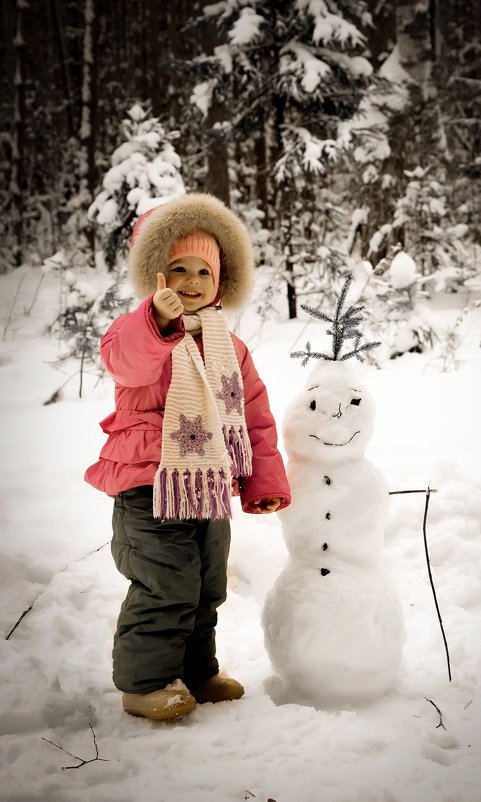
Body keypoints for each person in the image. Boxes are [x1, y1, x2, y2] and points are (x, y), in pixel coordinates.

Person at [85, 192, 291, 721]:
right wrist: (153, 319)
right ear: (156, 275)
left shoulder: (230, 347)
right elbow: (125, 363)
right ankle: (147, 681)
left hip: (209, 487)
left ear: (221, 281)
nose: (192, 281)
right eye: (178, 269)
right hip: (149, 489)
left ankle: (195, 672)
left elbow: (253, 416)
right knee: (165, 585)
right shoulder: (139, 333)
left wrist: (263, 480)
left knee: (205, 587)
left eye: (205, 270)